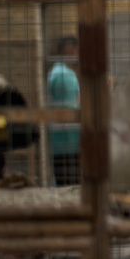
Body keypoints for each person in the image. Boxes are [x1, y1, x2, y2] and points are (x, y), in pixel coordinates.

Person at [47, 35, 80, 185]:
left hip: (62, 141)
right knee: (71, 185)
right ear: (71, 51)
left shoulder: (58, 71)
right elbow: (69, 109)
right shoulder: (64, 75)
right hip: (68, 142)